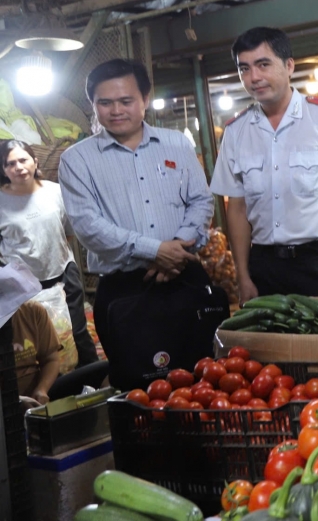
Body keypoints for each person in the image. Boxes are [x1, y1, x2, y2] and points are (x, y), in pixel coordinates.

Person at [59, 59, 218, 390]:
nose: (116, 110)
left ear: (145, 99)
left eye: (126, 101)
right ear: (93, 105)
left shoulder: (176, 143)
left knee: (208, 379)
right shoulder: (77, 160)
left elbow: (202, 201)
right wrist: (157, 251)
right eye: (105, 102)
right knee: (138, 391)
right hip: (125, 291)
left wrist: (177, 249)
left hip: (185, 279)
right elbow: (88, 226)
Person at [211, 27, 318, 301]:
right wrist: (243, 274)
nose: (254, 77)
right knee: (272, 345)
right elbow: (236, 208)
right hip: (265, 265)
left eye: (263, 65)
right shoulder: (236, 132)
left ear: (289, 66)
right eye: (245, 69)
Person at [0, 140, 97, 366]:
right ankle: (48, 390)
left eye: (23, 160)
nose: (19, 167)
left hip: (63, 272)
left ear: (35, 162)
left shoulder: (56, 191)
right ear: (3, 170)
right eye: (10, 163)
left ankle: (93, 381)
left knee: (76, 331)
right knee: (34, 342)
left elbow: (68, 233)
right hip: (21, 285)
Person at [10, 300, 59, 406]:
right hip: (5, 404)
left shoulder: (33, 310)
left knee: (100, 372)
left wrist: (42, 389)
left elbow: (51, 359)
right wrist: (15, 400)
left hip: (35, 395)